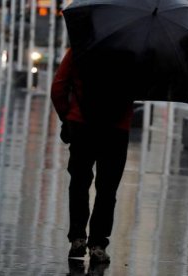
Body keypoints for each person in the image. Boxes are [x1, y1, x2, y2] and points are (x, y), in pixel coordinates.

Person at [51, 48, 134, 264]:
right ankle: (98, 245)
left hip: (81, 125)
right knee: (107, 189)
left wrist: (66, 116)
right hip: (116, 130)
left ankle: (78, 238)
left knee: (79, 182)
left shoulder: (80, 48)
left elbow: (58, 87)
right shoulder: (133, 52)